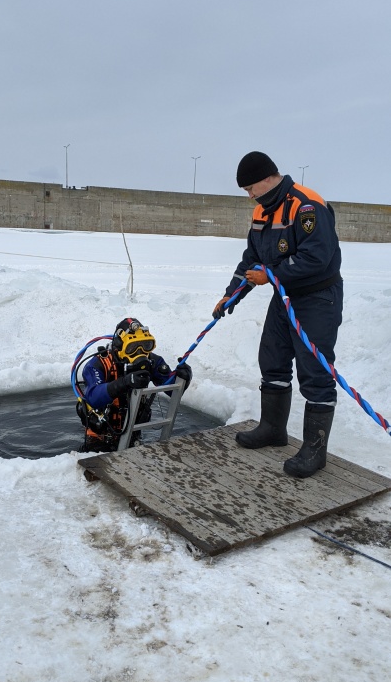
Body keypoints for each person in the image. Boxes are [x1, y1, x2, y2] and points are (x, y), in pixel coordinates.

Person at [213, 151, 343, 478]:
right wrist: (231, 295)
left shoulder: (307, 205)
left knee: (315, 371)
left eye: (250, 188)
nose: (249, 195)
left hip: (317, 297)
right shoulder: (262, 212)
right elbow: (251, 261)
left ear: (268, 178)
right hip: (285, 296)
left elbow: (317, 257)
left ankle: (315, 451)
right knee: (271, 358)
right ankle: (273, 429)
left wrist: (271, 276)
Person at [76, 317, 192, 453]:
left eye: (146, 345)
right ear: (120, 346)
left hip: (133, 433)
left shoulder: (152, 361)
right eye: (132, 347)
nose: (140, 352)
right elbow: (93, 397)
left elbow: (172, 391)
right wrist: (125, 382)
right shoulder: (98, 364)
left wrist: (183, 379)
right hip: (100, 438)